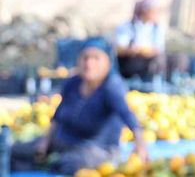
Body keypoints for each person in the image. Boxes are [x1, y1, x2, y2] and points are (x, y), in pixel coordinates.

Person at [11, 38, 147, 175]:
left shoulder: (111, 87)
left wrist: (140, 146)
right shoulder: (73, 83)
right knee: (13, 151)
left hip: (97, 149)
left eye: (96, 58)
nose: (89, 64)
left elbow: (129, 116)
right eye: (85, 58)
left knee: (69, 163)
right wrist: (45, 142)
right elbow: (58, 117)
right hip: (64, 142)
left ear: (108, 62)